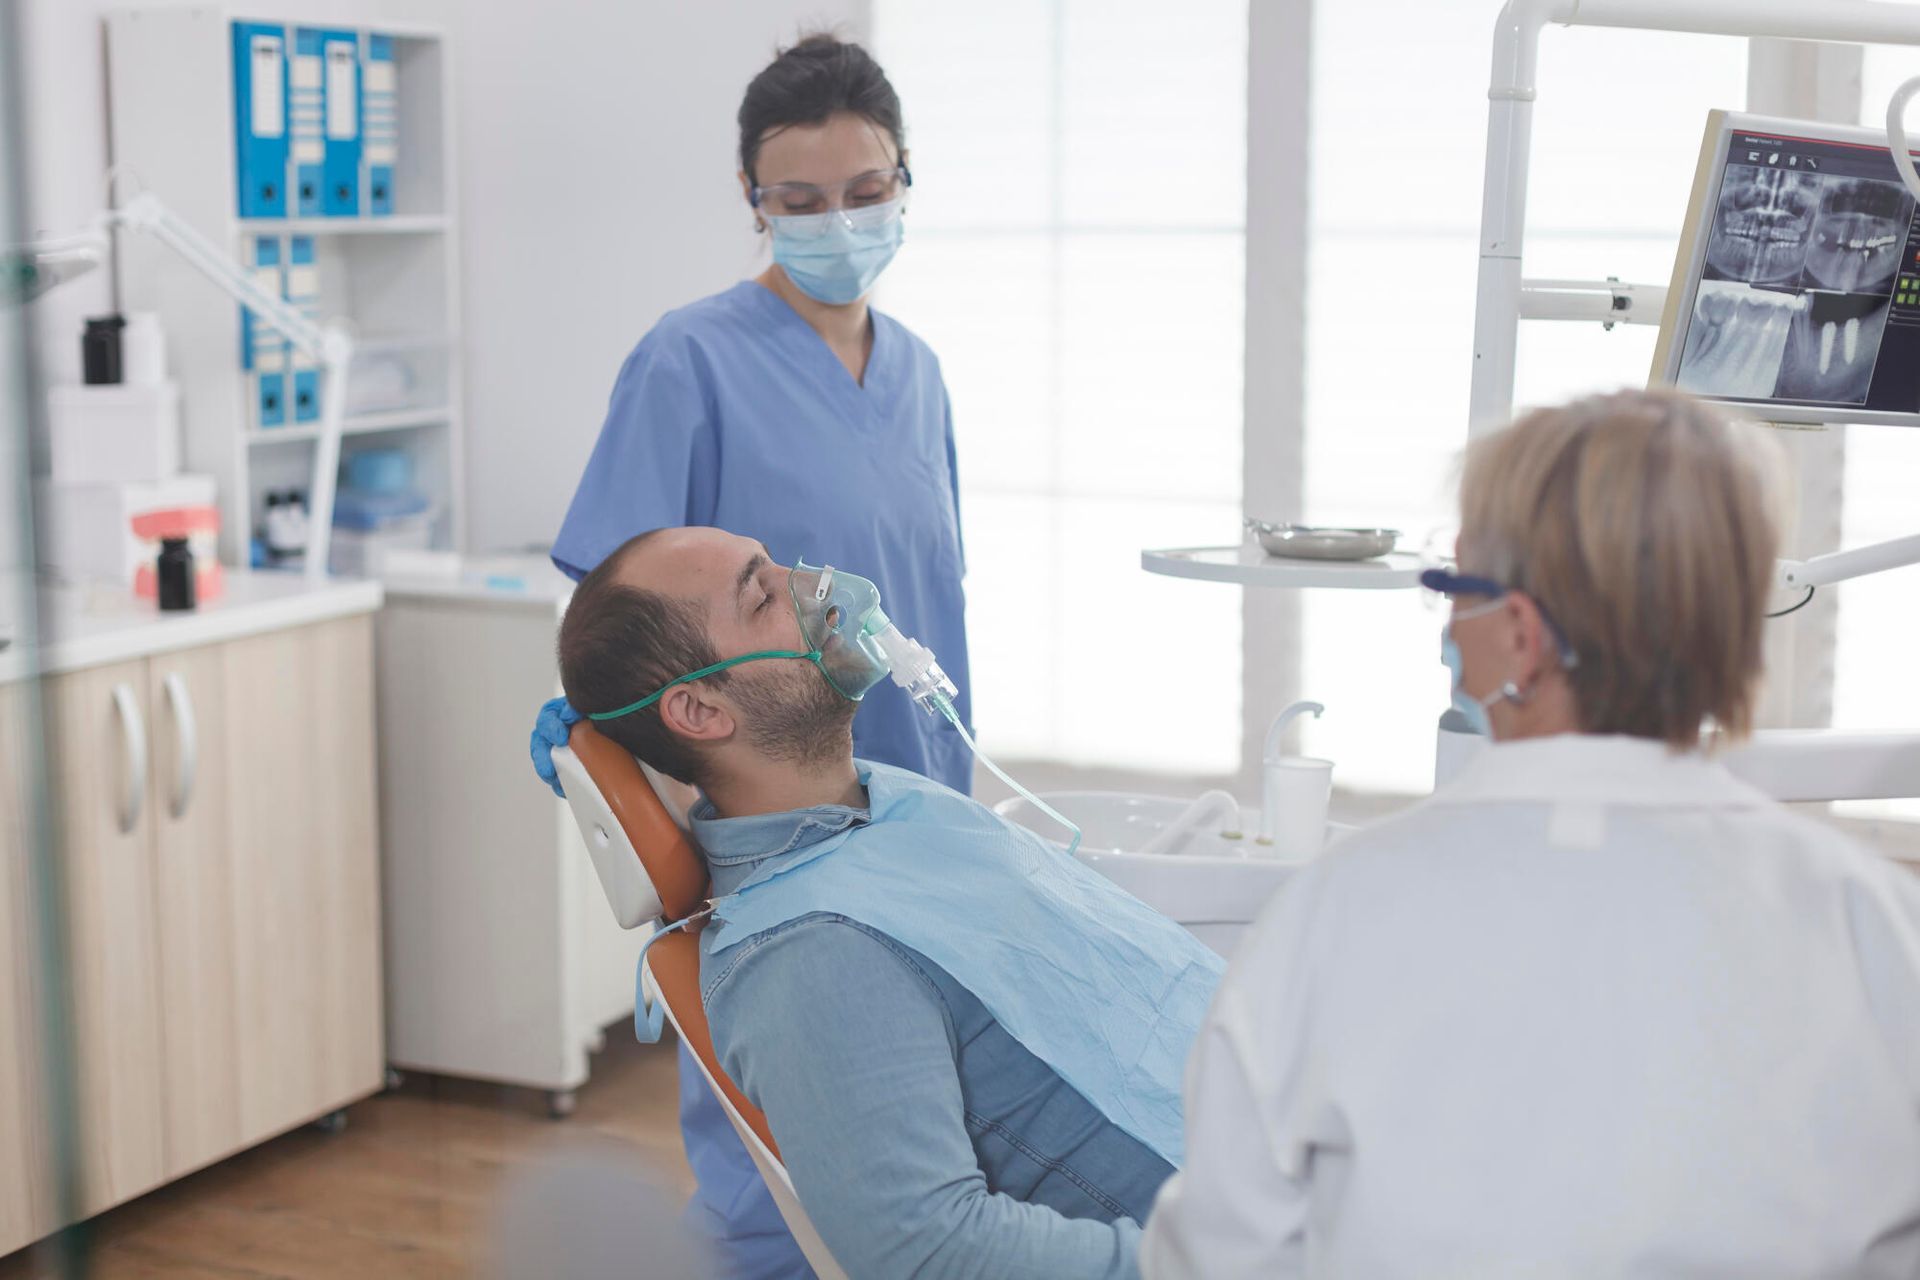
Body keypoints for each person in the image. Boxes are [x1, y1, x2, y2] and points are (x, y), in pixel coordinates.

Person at [1142, 388, 1920, 1278]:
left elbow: (1220, 1256)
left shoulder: (1334, 915)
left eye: (1453, 585)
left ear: (1520, 636)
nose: (1444, 624)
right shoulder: (1877, 928)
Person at [527, 35, 971, 1276]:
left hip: (917, 813)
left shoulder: (921, 375)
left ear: (903, 179)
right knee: (782, 1178)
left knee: (919, 1154)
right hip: (776, 844)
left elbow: (930, 603)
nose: (840, 219)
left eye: (867, 189)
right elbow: (620, 632)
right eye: (802, 200)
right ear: (756, 204)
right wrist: (635, 796)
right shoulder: (692, 362)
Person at [556, 526, 1225, 1279]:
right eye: (762, 592)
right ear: (702, 712)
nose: (818, 581)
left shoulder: (883, 806)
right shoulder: (812, 954)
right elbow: (927, 1252)